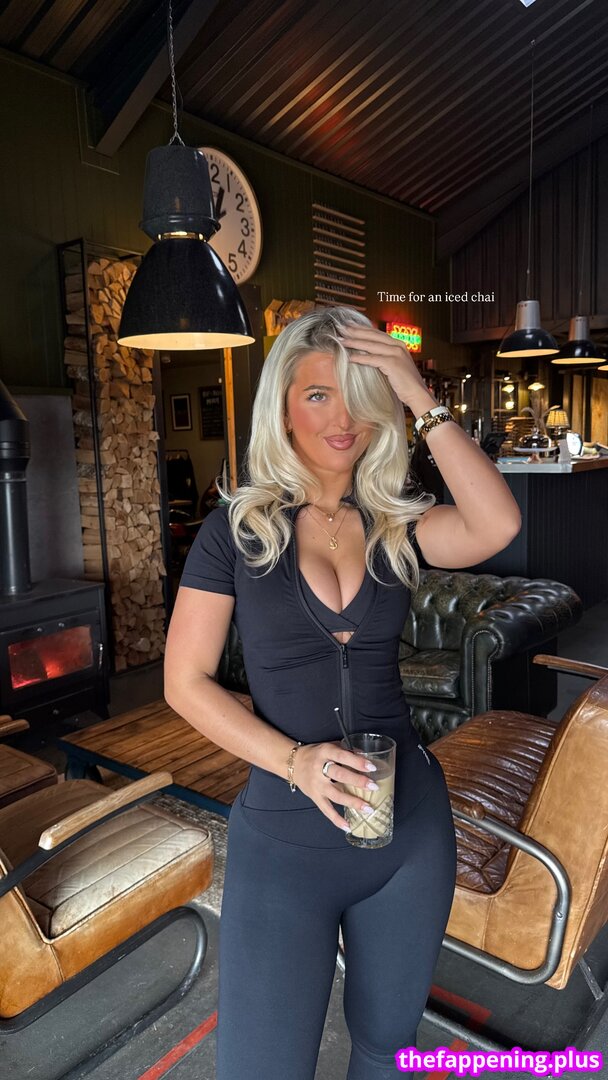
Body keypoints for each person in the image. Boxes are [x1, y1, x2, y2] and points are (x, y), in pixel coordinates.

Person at [164, 307, 522, 1080]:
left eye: (360, 394)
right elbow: (183, 682)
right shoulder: (238, 532)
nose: (343, 418)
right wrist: (294, 761)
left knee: (386, 1050)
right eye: (318, 394)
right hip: (283, 844)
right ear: (283, 407)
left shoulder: (395, 525)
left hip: (409, 833)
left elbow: (496, 525)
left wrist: (416, 393)